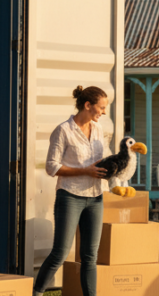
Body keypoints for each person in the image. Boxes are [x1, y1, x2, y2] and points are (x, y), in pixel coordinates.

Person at [33, 86, 112, 296]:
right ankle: (37, 292)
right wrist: (85, 170)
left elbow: (102, 161)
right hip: (70, 196)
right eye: (101, 107)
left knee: (90, 256)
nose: (104, 112)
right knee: (60, 253)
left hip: (95, 198)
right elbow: (51, 167)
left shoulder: (98, 130)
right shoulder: (63, 130)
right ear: (88, 105)